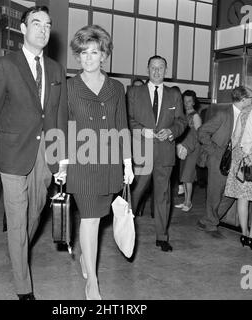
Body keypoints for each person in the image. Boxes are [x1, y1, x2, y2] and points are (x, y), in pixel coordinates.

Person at [0, 6, 68, 300]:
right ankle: (24, 286)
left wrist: (62, 159)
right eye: (36, 24)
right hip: (11, 154)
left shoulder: (57, 70)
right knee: (18, 217)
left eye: (47, 25)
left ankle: (17, 249)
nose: (43, 30)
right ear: (23, 29)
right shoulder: (6, 64)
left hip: (45, 156)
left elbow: (58, 116)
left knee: (35, 214)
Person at [66, 25, 134, 300]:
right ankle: (92, 281)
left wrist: (128, 163)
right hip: (81, 163)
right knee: (91, 219)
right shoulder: (69, 86)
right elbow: (62, 126)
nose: (88, 57)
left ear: (104, 55)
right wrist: (61, 161)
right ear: (77, 56)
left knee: (97, 217)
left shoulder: (117, 87)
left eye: (94, 52)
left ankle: (85, 257)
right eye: (83, 52)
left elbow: (122, 127)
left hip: (109, 164)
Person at [127, 55, 187, 252]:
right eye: (153, 67)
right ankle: (126, 232)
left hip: (164, 153)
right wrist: (142, 131)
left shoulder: (174, 94)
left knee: (163, 197)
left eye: (160, 68)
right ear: (147, 69)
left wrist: (171, 131)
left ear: (166, 70)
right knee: (134, 194)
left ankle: (162, 237)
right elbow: (128, 119)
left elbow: (181, 121)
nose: (157, 71)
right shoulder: (134, 93)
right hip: (142, 154)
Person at [197, 86, 251, 237]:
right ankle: (211, 225)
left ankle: (208, 220)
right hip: (218, 159)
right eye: (251, 98)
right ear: (243, 100)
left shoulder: (246, 115)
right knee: (215, 192)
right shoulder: (223, 114)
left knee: (231, 194)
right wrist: (214, 151)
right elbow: (202, 131)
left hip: (236, 161)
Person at [224, 98, 252, 248]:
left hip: (242, 160)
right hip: (249, 158)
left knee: (243, 198)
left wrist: (228, 155)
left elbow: (235, 137)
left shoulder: (245, 111)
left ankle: (244, 234)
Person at [175, 90, 202, 212]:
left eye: (189, 101)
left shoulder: (195, 116)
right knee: (183, 176)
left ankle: (189, 202)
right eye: (185, 101)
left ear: (194, 102)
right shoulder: (183, 115)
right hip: (183, 148)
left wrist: (187, 147)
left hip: (193, 149)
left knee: (188, 176)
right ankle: (185, 200)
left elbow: (199, 135)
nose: (187, 103)